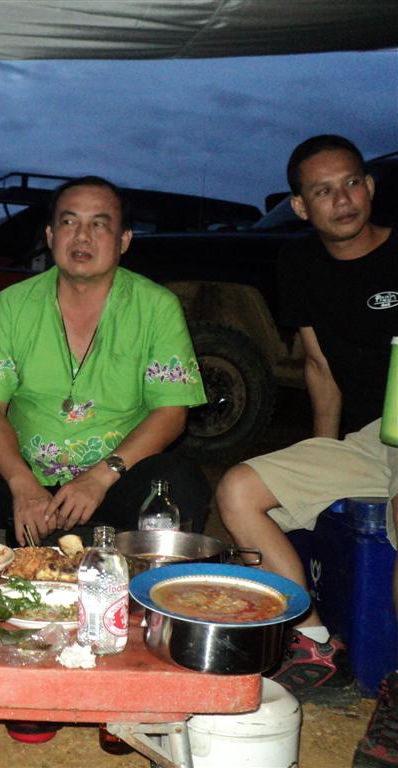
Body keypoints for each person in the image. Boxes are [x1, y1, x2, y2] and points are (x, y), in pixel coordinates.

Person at [215, 136, 397, 763]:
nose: (341, 199)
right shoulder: (298, 263)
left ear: (370, 187)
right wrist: (320, 462)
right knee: (237, 490)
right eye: (323, 190)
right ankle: (316, 644)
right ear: (300, 205)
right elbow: (319, 367)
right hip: (369, 437)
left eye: (351, 183)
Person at [0, 176, 210, 546]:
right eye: (69, 222)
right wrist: (22, 484)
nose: (82, 236)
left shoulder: (157, 307)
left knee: (180, 480)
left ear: (124, 240)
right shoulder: (11, 306)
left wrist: (100, 477)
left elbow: (171, 414)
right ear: (51, 236)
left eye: (99, 224)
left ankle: (142, 577)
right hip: (24, 481)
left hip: (114, 481)